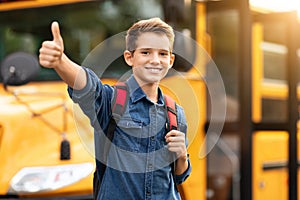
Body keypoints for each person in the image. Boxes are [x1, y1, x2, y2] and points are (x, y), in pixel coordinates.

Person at [39, 17, 191, 200]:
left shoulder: (175, 113)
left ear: (171, 60)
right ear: (129, 57)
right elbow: (87, 86)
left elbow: (179, 176)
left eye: (163, 54)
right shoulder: (111, 101)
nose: (155, 60)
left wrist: (181, 155)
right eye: (146, 52)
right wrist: (60, 61)